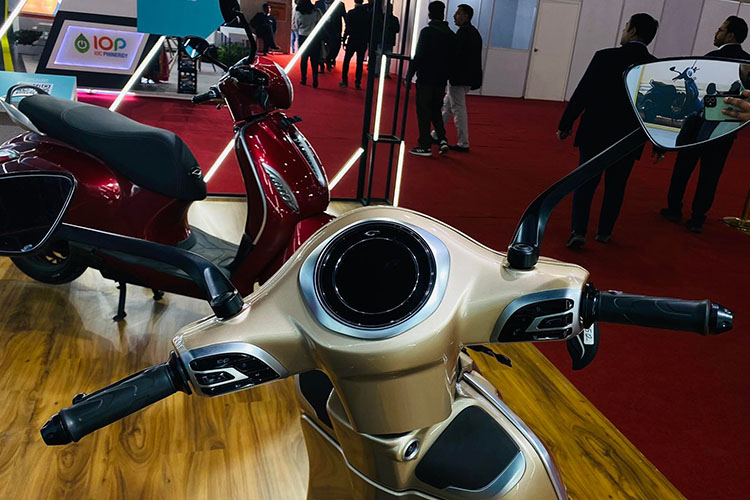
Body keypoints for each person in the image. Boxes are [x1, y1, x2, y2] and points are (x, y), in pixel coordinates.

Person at [557, 13, 659, 248]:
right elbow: (654, 109)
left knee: (586, 182)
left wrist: (566, 123)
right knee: (616, 186)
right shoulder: (653, 66)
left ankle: (578, 231)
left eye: (626, 27)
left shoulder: (604, 57)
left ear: (633, 31)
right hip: (629, 137)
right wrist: (658, 144)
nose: (623, 31)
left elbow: (583, 92)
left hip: (596, 130)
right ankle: (604, 232)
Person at [660, 16, 750, 233]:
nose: (716, 33)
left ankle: (674, 209)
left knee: (683, 168)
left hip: (699, 122)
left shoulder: (711, 58)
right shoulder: (748, 63)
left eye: (720, 29)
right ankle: (698, 218)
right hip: (727, 127)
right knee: (711, 175)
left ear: (730, 35)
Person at [407, 1, 457, 157]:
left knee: (423, 111)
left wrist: (409, 74)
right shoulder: (450, 34)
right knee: (436, 110)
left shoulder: (427, 32)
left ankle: (425, 145)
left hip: (426, 77)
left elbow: (419, 55)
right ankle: (442, 139)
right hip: (441, 79)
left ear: (429, 14)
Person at [431, 4, 482, 152]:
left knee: (457, 108)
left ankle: (463, 142)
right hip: (467, 77)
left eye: (458, 13)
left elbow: (456, 55)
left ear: (466, 16)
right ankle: (436, 134)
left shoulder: (463, 33)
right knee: (447, 106)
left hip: (459, 77)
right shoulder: (473, 32)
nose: (454, 16)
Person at [339, 0, 371, 89]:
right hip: (362, 40)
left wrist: (344, 38)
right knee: (359, 62)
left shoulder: (351, 13)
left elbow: (348, 27)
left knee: (347, 60)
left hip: (352, 39)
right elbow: (369, 28)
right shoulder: (367, 14)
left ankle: (344, 81)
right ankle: (357, 82)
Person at [293, 0, 323, 87]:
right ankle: (315, 80)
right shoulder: (316, 11)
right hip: (314, 37)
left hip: (303, 36)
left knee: (304, 59)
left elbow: (296, 25)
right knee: (314, 60)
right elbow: (321, 22)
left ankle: (304, 79)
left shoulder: (298, 12)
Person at [315, 0, 346, 72]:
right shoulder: (318, 3)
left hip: (335, 29)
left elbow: (345, 17)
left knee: (334, 47)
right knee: (321, 48)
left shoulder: (340, 4)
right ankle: (322, 64)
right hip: (322, 29)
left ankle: (329, 59)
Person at [372, 2, 400, 78]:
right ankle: (385, 73)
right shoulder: (394, 19)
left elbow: (377, 28)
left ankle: (377, 72)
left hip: (382, 40)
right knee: (387, 58)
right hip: (389, 40)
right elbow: (397, 29)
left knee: (379, 57)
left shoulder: (381, 18)